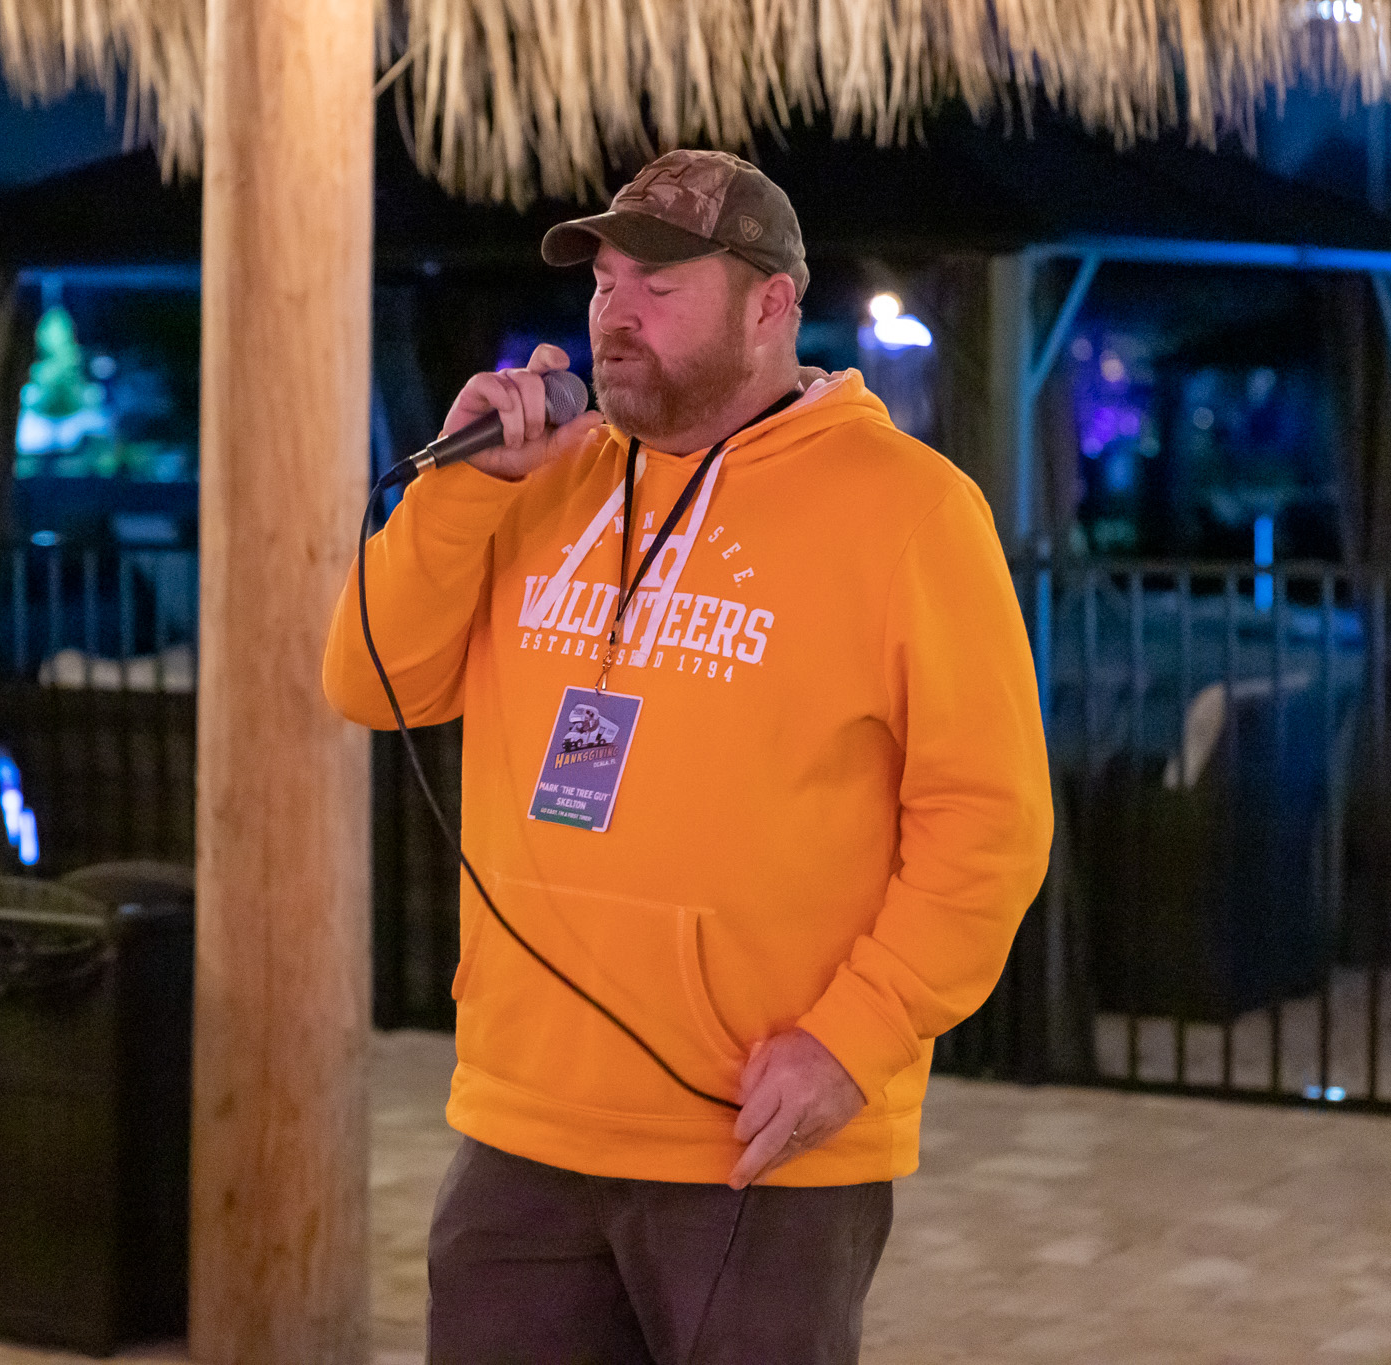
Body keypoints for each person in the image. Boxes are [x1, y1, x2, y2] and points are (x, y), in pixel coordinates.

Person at [322, 150, 1054, 1363]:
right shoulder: (536, 478)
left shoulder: (910, 509)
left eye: (657, 287)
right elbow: (367, 681)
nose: (615, 311)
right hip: (525, 1117)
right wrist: (458, 492)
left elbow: (988, 823)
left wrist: (853, 1039)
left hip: (754, 1134)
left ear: (770, 304)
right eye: (603, 282)